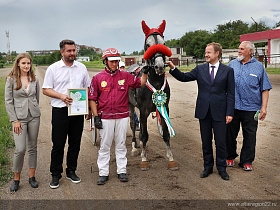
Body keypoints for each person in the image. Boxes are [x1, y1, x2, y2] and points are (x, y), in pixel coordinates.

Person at [167, 42, 235, 180]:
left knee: (221, 142)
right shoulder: (200, 69)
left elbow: (231, 94)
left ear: (217, 53)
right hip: (204, 111)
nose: (206, 54)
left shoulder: (228, 71)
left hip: (220, 112)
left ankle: (222, 169)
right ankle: (208, 168)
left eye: (209, 52)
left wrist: (230, 112)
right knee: (206, 141)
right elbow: (184, 77)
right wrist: (173, 68)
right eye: (205, 52)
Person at [88, 48, 148, 185]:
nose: (115, 64)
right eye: (112, 61)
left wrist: (145, 73)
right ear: (105, 61)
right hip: (105, 117)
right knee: (105, 145)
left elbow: (141, 83)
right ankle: (103, 173)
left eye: (116, 61)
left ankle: (122, 171)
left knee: (121, 144)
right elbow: (92, 98)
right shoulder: (97, 78)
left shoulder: (125, 76)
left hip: (122, 116)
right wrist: (96, 117)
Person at [42, 39, 91, 189]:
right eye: (69, 51)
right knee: (58, 144)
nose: (72, 53)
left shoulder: (81, 68)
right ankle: (55, 175)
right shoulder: (53, 68)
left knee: (75, 143)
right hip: (60, 111)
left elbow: (87, 87)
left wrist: (88, 107)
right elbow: (46, 89)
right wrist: (61, 96)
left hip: (77, 111)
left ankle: (71, 171)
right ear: (62, 52)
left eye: (74, 50)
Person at [226, 41, 272, 171]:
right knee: (229, 134)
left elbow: (265, 89)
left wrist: (264, 107)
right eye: (238, 49)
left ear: (250, 51)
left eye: (242, 49)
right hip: (232, 107)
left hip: (251, 108)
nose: (239, 51)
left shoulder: (259, 67)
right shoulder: (232, 64)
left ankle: (247, 161)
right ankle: (229, 157)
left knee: (250, 136)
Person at [5, 53, 41, 192]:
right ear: (18, 64)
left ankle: (32, 177)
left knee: (33, 147)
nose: (26, 66)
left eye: (28, 63)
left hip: (34, 116)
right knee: (20, 149)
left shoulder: (34, 79)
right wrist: (14, 120)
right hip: (19, 119)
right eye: (24, 63)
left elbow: (36, 99)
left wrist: (34, 111)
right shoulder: (11, 79)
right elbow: (8, 101)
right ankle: (16, 179)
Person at [119, 61, 140, 131]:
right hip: (117, 99)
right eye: (120, 68)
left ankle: (136, 123)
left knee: (131, 110)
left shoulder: (127, 76)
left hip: (126, 97)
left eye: (123, 68)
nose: (121, 69)